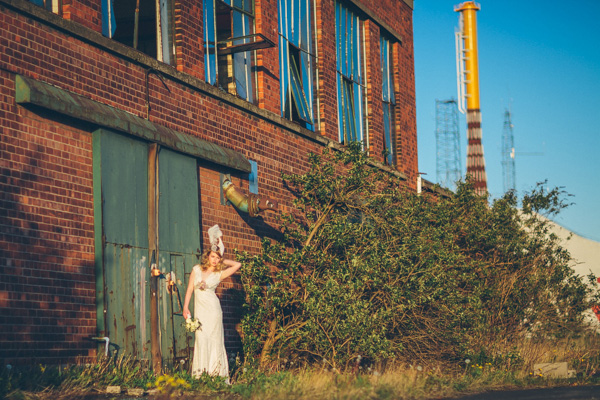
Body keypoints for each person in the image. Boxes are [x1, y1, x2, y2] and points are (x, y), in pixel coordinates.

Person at [182, 226, 242, 380]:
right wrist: (185, 307)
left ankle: (217, 376)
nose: (215, 260)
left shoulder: (219, 274)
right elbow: (189, 289)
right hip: (200, 311)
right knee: (201, 339)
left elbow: (238, 265)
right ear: (207, 257)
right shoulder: (196, 269)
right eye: (213, 257)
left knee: (215, 340)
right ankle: (201, 376)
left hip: (213, 311)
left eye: (217, 258)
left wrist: (223, 258)